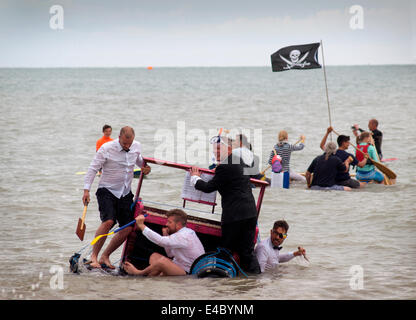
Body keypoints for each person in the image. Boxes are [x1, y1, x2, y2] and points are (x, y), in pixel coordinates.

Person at [190, 136, 261, 274]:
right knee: (247, 252)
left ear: (228, 149)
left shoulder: (223, 167)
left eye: (218, 149)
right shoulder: (239, 161)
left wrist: (194, 177)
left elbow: (208, 187)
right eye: (214, 150)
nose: (215, 152)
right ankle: (256, 281)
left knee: (225, 250)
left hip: (234, 215)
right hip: (250, 212)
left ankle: (221, 280)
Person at [82, 126, 151, 269]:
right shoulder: (106, 148)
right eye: (124, 143)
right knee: (108, 221)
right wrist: (86, 190)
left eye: (129, 144)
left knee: (127, 228)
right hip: (106, 189)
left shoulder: (136, 146)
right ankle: (93, 256)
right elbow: (93, 168)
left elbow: (139, 161)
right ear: (119, 138)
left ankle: (105, 256)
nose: (127, 146)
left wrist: (146, 168)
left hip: (125, 192)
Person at [123, 209, 205, 276]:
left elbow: (160, 241)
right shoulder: (186, 232)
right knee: (154, 256)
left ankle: (138, 273)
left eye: (169, 222)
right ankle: (155, 277)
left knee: (162, 262)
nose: (166, 224)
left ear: (179, 224)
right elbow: (170, 254)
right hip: (178, 265)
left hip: (188, 272)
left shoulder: (183, 236)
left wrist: (141, 226)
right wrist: (166, 234)